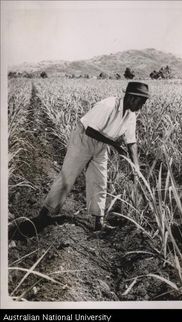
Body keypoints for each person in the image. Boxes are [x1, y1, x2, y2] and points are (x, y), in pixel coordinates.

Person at [11, 81, 149, 237]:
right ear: (131, 98)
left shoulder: (131, 115)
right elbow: (90, 130)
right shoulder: (108, 105)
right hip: (84, 138)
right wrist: (115, 145)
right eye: (141, 102)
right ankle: (45, 213)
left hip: (103, 144)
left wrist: (135, 168)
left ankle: (99, 220)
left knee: (100, 179)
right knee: (68, 176)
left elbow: (132, 143)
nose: (142, 106)